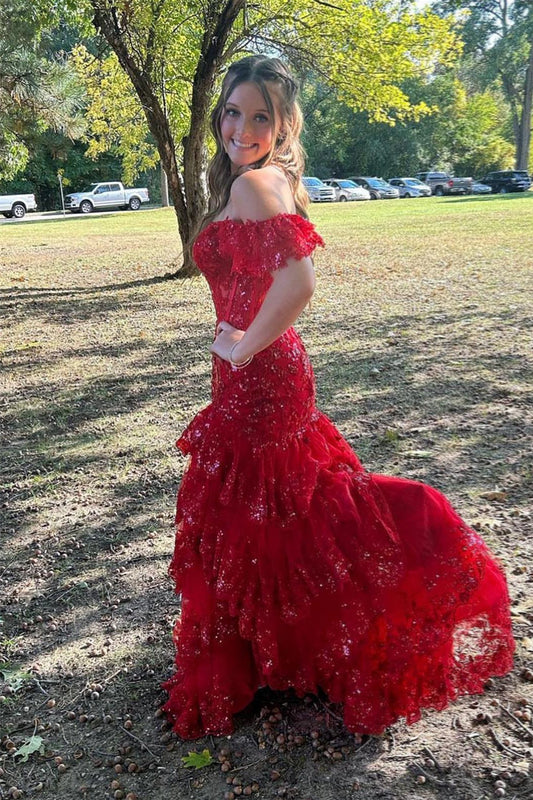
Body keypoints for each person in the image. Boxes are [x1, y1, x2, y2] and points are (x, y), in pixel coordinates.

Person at [161, 55, 514, 739]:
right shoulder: (261, 180)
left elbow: (298, 284)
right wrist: (240, 345)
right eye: (232, 113)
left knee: (271, 511)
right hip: (263, 372)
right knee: (275, 514)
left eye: (260, 117)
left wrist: (241, 346)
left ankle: (406, 540)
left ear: (282, 124)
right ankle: (280, 648)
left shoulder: (255, 184)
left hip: (260, 374)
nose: (241, 128)